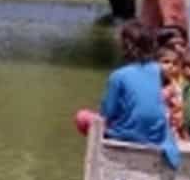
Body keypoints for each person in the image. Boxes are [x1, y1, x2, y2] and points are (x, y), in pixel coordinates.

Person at [74, 20, 179, 169]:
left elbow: (107, 113)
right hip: (156, 136)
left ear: (125, 46)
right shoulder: (158, 71)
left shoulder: (118, 76)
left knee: (82, 116)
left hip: (128, 135)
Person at [157, 44, 186, 138]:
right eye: (166, 62)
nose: (171, 66)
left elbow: (180, 106)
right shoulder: (151, 85)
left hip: (173, 130)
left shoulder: (176, 86)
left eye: (174, 63)